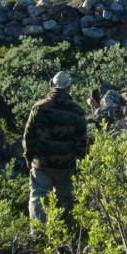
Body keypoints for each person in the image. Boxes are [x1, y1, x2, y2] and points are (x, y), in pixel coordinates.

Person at [23, 71, 87, 228]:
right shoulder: (76, 111)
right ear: (68, 88)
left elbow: (28, 137)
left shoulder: (38, 108)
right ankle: (62, 233)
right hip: (66, 165)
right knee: (64, 198)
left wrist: (28, 158)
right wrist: (81, 163)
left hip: (41, 163)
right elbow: (82, 142)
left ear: (52, 86)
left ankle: (38, 232)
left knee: (38, 195)